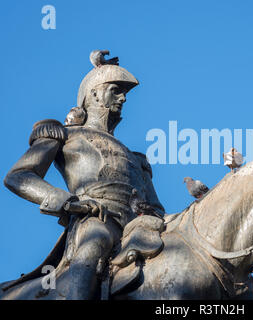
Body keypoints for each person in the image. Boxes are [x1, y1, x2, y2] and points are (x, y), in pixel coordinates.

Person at [3, 51, 165, 299]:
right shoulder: (65, 135)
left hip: (141, 226)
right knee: (92, 247)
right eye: (116, 90)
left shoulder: (137, 159)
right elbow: (18, 176)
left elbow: (156, 207)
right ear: (95, 94)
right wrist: (69, 202)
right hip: (96, 219)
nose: (123, 98)